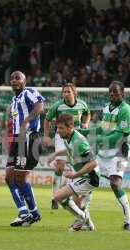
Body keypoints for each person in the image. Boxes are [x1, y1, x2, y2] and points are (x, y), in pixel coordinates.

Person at [88, 81, 130, 231]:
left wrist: (98, 140)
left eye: (115, 92)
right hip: (105, 150)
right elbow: (103, 129)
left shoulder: (126, 111)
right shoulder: (106, 108)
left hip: (120, 150)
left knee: (114, 183)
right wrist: (91, 135)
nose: (112, 94)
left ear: (123, 93)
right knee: (88, 178)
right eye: (110, 92)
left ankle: (129, 221)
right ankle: (83, 218)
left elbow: (119, 136)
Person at [6, 70, 45, 227]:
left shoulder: (29, 92)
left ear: (24, 81)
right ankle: (24, 212)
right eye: (12, 78)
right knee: (9, 177)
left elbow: (40, 107)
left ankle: (33, 214)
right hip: (17, 140)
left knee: (20, 178)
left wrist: (27, 121)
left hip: (28, 138)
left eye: (18, 78)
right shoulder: (14, 100)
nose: (14, 80)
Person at [43, 83, 90, 209]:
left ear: (74, 93)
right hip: (60, 136)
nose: (66, 94)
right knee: (60, 165)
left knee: (79, 165)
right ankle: (55, 196)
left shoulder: (82, 104)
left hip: (76, 137)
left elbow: (87, 113)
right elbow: (47, 119)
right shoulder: (57, 106)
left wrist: (85, 123)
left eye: (68, 92)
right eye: (64, 92)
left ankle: (80, 195)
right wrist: (46, 136)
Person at [47, 114, 98, 231]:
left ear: (70, 127)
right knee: (79, 205)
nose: (58, 131)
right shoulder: (68, 138)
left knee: (58, 197)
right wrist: (55, 154)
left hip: (90, 178)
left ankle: (82, 218)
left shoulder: (78, 141)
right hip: (84, 177)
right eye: (57, 128)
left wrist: (75, 175)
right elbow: (69, 150)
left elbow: (93, 163)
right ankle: (89, 225)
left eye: (61, 128)